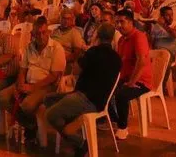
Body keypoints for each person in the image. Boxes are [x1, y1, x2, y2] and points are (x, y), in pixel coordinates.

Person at [45, 23, 122, 157]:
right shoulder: (117, 58)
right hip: (98, 99)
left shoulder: (93, 52)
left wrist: (89, 46)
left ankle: (80, 142)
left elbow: (75, 70)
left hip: (87, 99)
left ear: (97, 35)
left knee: (51, 115)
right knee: (48, 99)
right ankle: (69, 130)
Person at [0, 16, 66, 143]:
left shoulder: (57, 48)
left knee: (27, 105)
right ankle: (30, 125)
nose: (40, 36)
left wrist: (33, 87)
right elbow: (22, 70)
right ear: (33, 34)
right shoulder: (29, 47)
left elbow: (54, 76)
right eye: (37, 33)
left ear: (48, 32)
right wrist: (20, 84)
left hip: (46, 86)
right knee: (2, 97)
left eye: (43, 32)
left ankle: (30, 128)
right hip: (28, 82)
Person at [113, 9, 152, 140]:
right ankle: (112, 118)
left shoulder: (138, 37)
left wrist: (131, 83)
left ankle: (123, 127)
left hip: (141, 81)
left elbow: (141, 61)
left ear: (131, 22)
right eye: (116, 22)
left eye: (122, 22)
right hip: (126, 78)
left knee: (122, 95)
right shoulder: (122, 40)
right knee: (104, 89)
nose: (118, 25)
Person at [51, 7, 87, 72]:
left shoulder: (75, 33)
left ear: (72, 20)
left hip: (65, 64)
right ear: (60, 19)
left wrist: (60, 61)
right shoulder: (54, 31)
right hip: (50, 59)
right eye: (64, 18)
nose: (66, 21)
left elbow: (76, 55)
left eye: (68, 19)